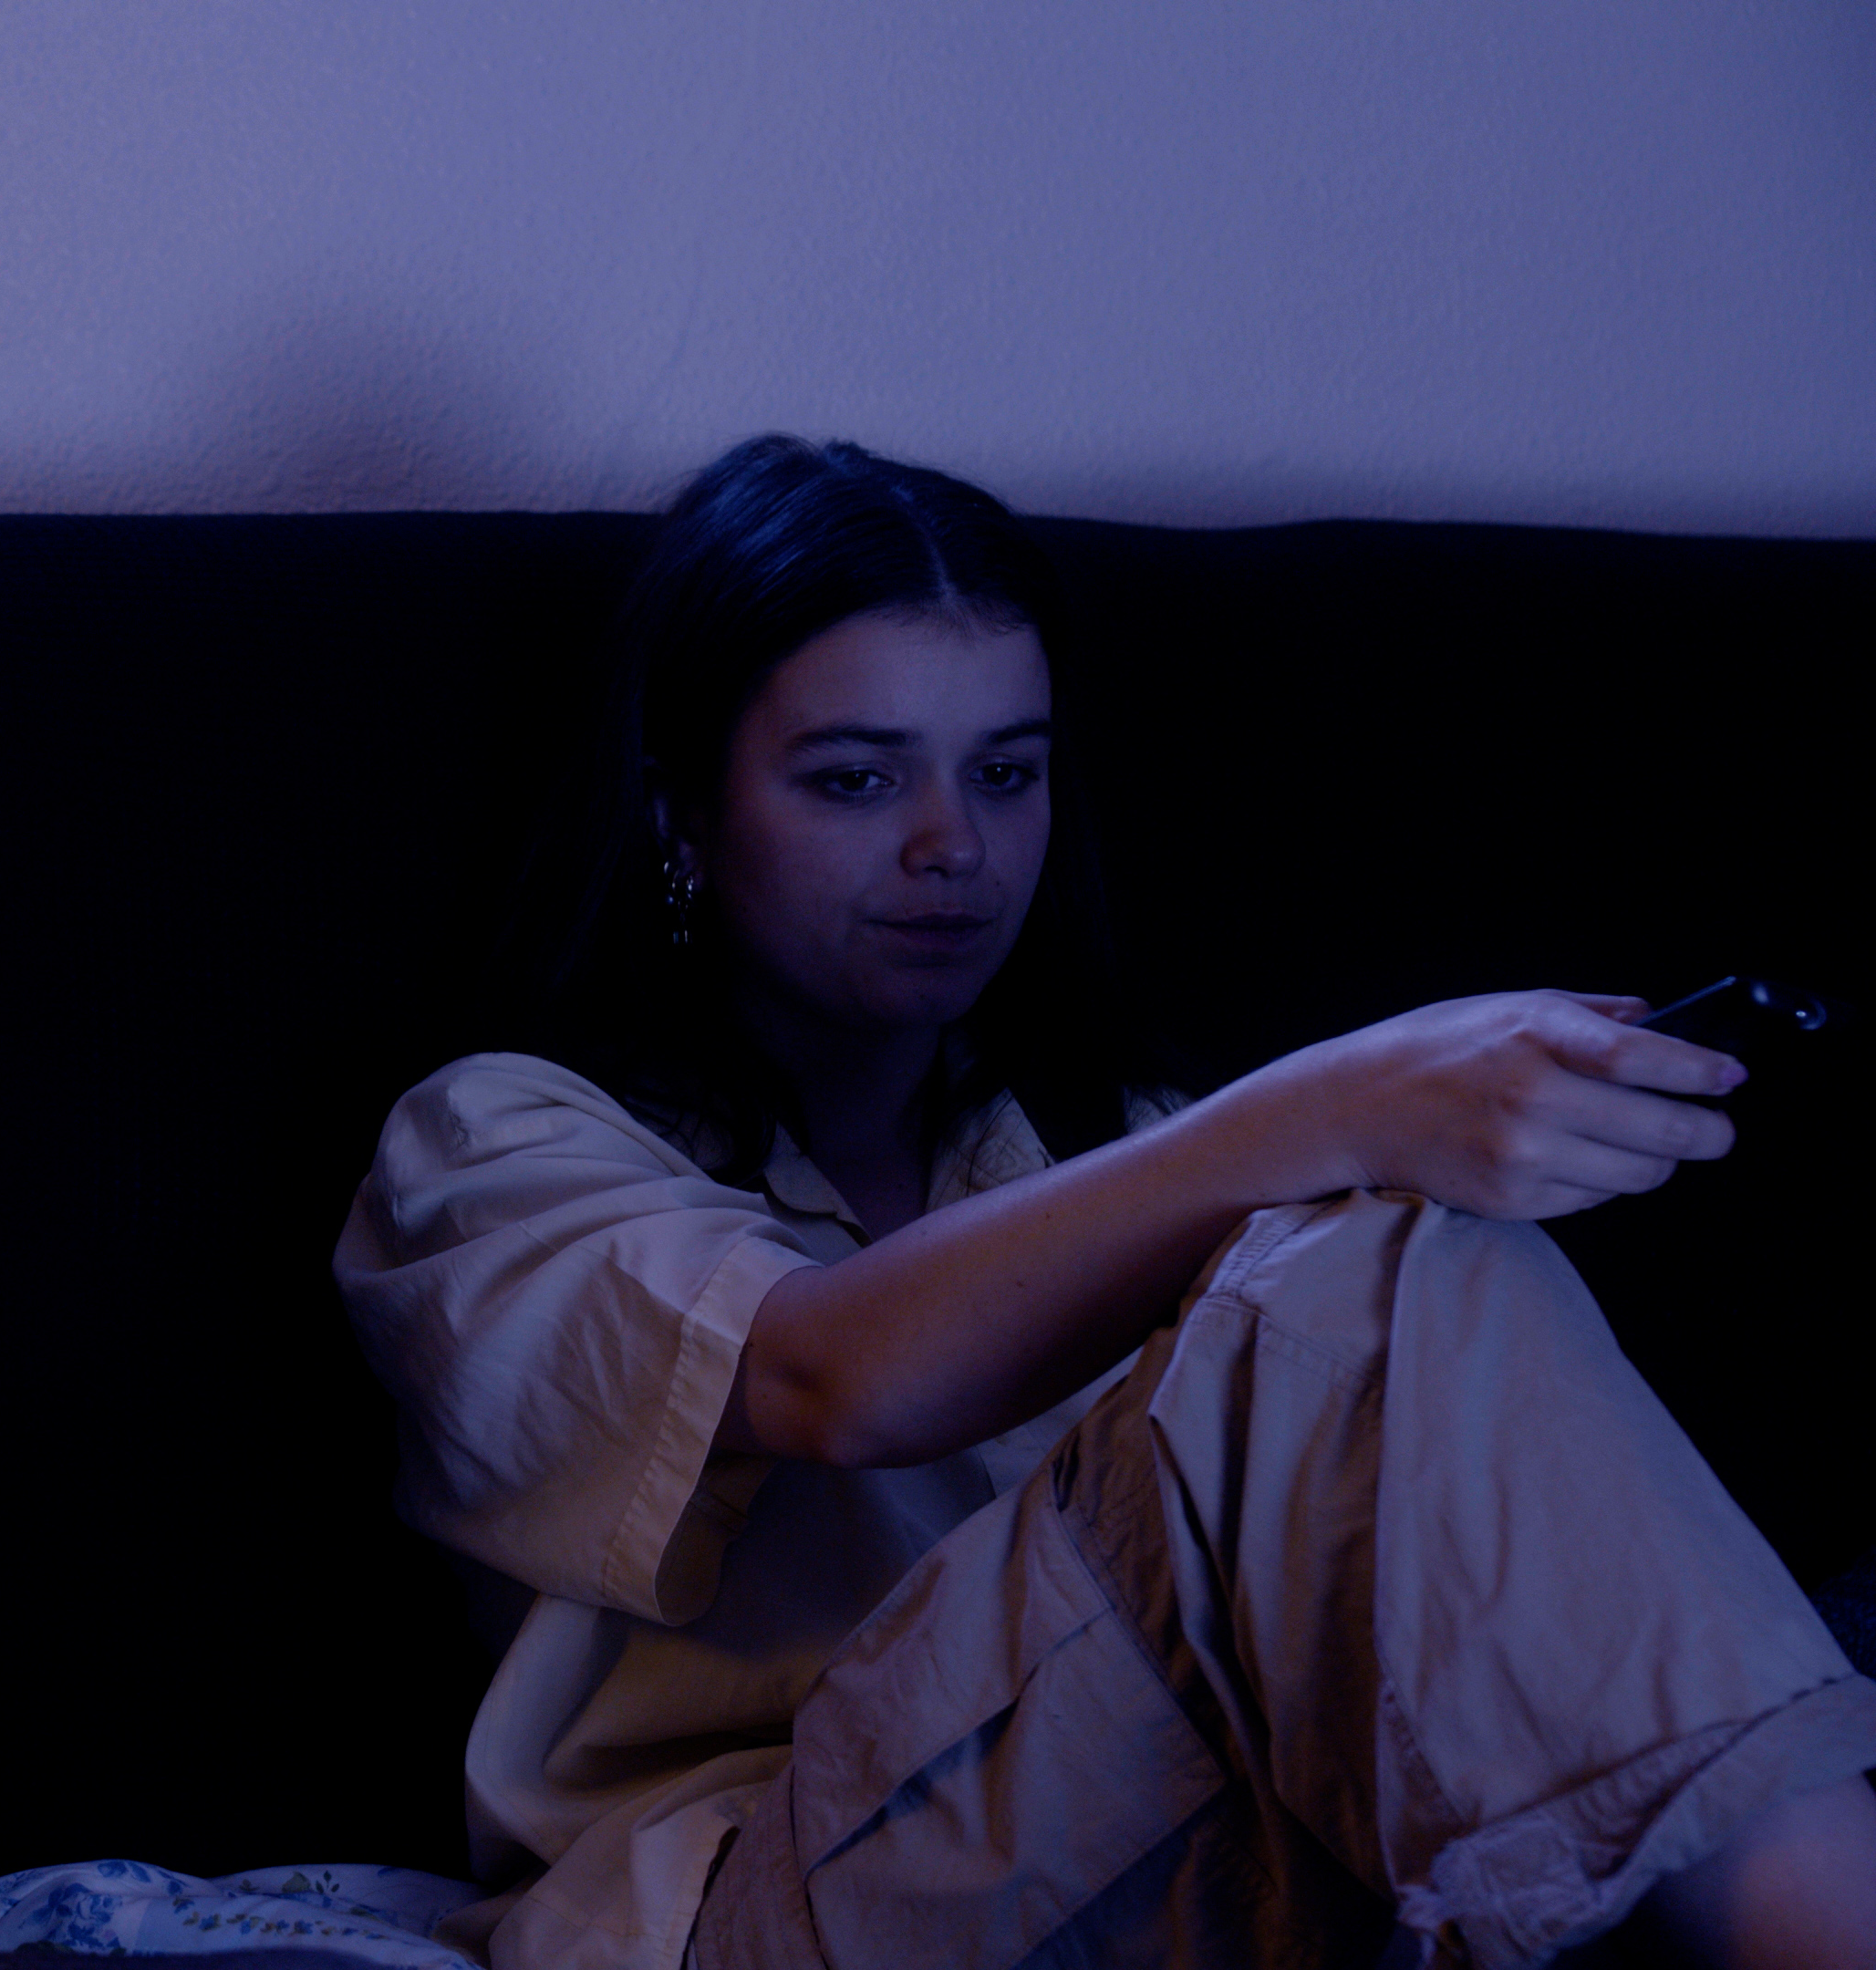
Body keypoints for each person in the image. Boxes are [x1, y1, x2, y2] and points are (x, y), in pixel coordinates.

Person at [334, 436, 1876, 1969]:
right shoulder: (492, 1144)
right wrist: (1338, 1106)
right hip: (766, 1900)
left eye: (1006, 773)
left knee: (1392, 1270)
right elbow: (821, 1374)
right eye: (858, 778)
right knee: (1365, 1261)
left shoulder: (1109, 1137)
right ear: (679, 816)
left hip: (1205, 1836)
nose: (955, 847)